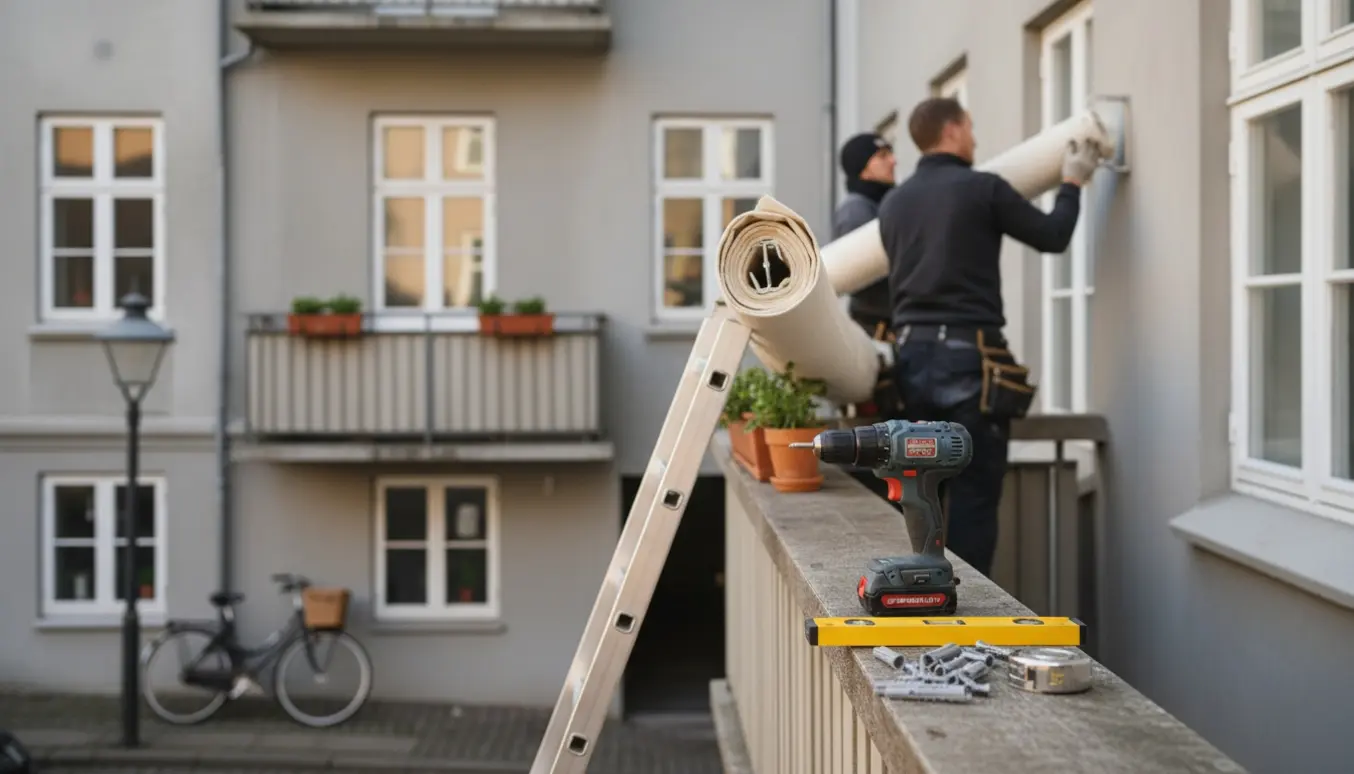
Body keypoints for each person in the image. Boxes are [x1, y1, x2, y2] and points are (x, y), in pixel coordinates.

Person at [877, 97, 1101, 578]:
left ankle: (916, 594)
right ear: (952, 130)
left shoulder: (893, 204)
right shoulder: (982, 189)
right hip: (969, 362)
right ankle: (967, 605)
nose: (975, 139)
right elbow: (1053, 235)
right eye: (971, 127)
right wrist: (1072, 181)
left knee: (918, 495)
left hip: (911, 364)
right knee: (974, 500)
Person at [832, 132, 905, 501]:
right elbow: (869, 278)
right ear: (863, 167)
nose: (893, 161)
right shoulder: (857, 210)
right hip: (877, 339)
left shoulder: (875, 205)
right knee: (881, 450)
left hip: (884, 336)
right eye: (883, 155)